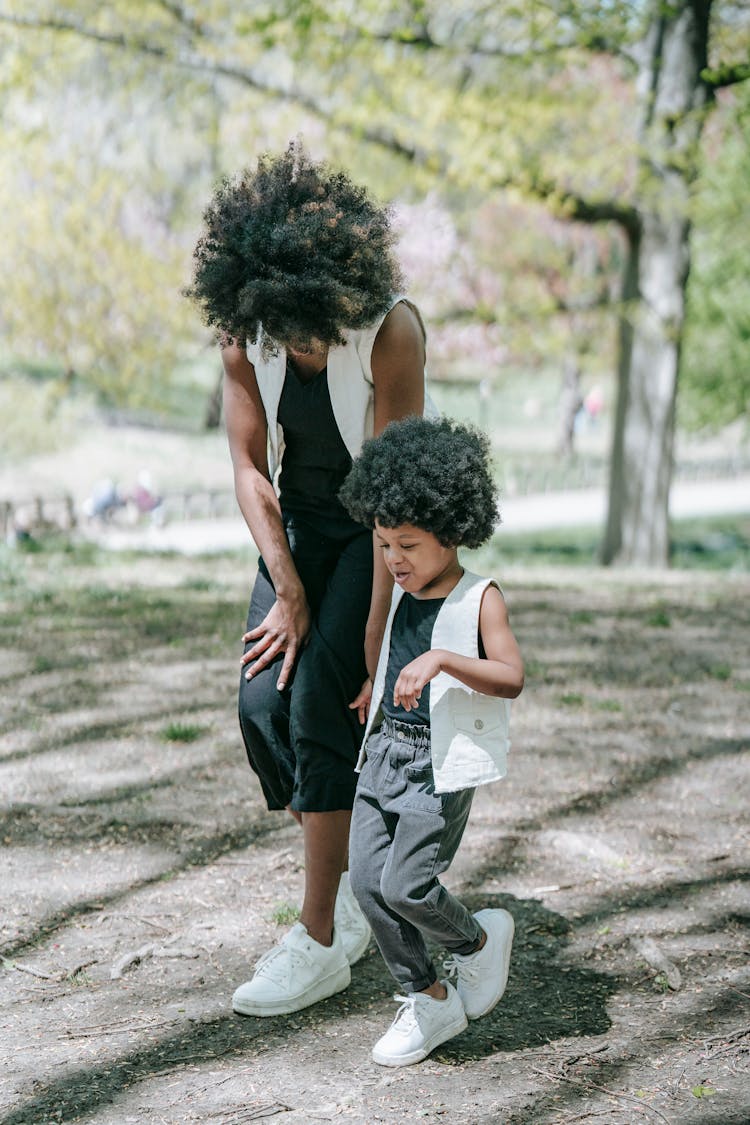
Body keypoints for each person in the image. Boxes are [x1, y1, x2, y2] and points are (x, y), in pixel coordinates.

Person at [187, 141, 430, 1016]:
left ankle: (322, 935)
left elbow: (392, 492)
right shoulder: (244, 331)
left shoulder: (391, 331)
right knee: (263, 708)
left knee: (320, 709)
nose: (299, 345)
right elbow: (250, 470)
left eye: (312, 327)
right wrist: (287, 588)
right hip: (295, 530)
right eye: (284, 330)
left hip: (375, 532)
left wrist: (371, 631)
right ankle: (350, 872)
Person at [338, 416, 525, 1067]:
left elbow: (511, 676)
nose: (394, 559)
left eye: (409, 544)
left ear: (453, 529)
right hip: (384, 749)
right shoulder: (401, 589)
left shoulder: (480, 599)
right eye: (385, 543)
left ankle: (475, 942)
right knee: (366, 882)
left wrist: (444, 661)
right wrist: (379, 690)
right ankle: (430, 994)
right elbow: (398, 654)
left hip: (437, 767)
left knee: (408, 885)